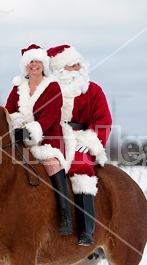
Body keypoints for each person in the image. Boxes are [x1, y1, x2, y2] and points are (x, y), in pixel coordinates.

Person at [47, 44, 112, 245]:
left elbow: (104, 119)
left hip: (81, 138)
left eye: (77, 65)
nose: (76, 69)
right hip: (53, 137)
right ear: (59, 70)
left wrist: (89, 140)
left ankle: (86, 230)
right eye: (71, 66)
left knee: (80, 166)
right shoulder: (49, 90)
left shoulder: (93, 90)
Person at [5, 44, 72, 235]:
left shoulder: (52, 86)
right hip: (20, 137)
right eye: (30, 62)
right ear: (25, 66)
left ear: (43, 64)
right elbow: (9, 110)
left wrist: (31, 131)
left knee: (51, 163)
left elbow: (50, 115)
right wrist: (16, 124)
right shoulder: (18, 87)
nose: (34, 65)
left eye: (37, 61)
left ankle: (65, 215)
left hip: (48, 137)